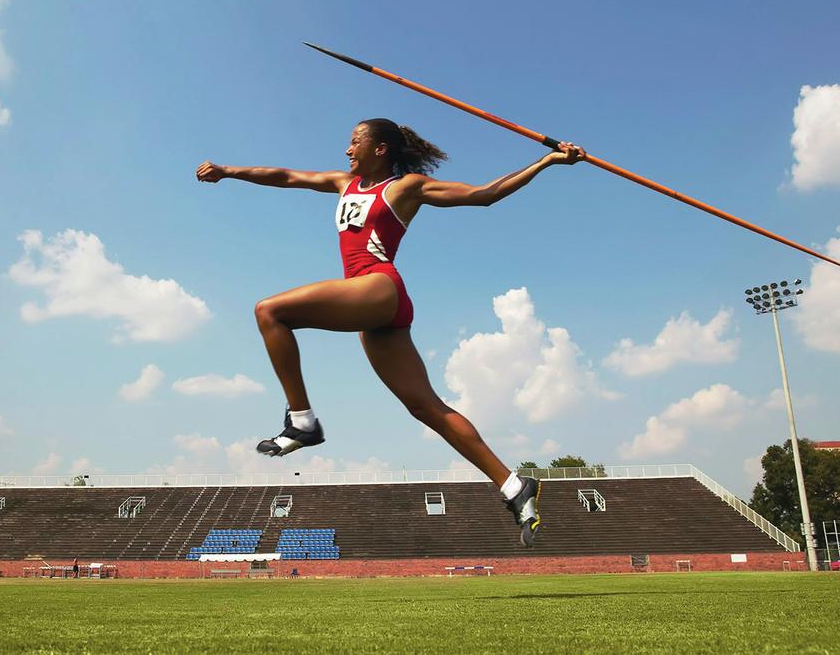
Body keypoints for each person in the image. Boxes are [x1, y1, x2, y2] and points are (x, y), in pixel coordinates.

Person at [196, 118, 584, 546]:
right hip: (376, 315)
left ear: (380, 149)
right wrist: (229, 171)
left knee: (270, 311)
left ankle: (302, 421)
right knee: (425, 407)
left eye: (355, 141)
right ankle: (514, 486)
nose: (347, 150)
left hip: (380, 287)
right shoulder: (344, 183)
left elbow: (484, 195)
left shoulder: (405, 187)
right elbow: (286, 176)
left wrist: (547, 161)